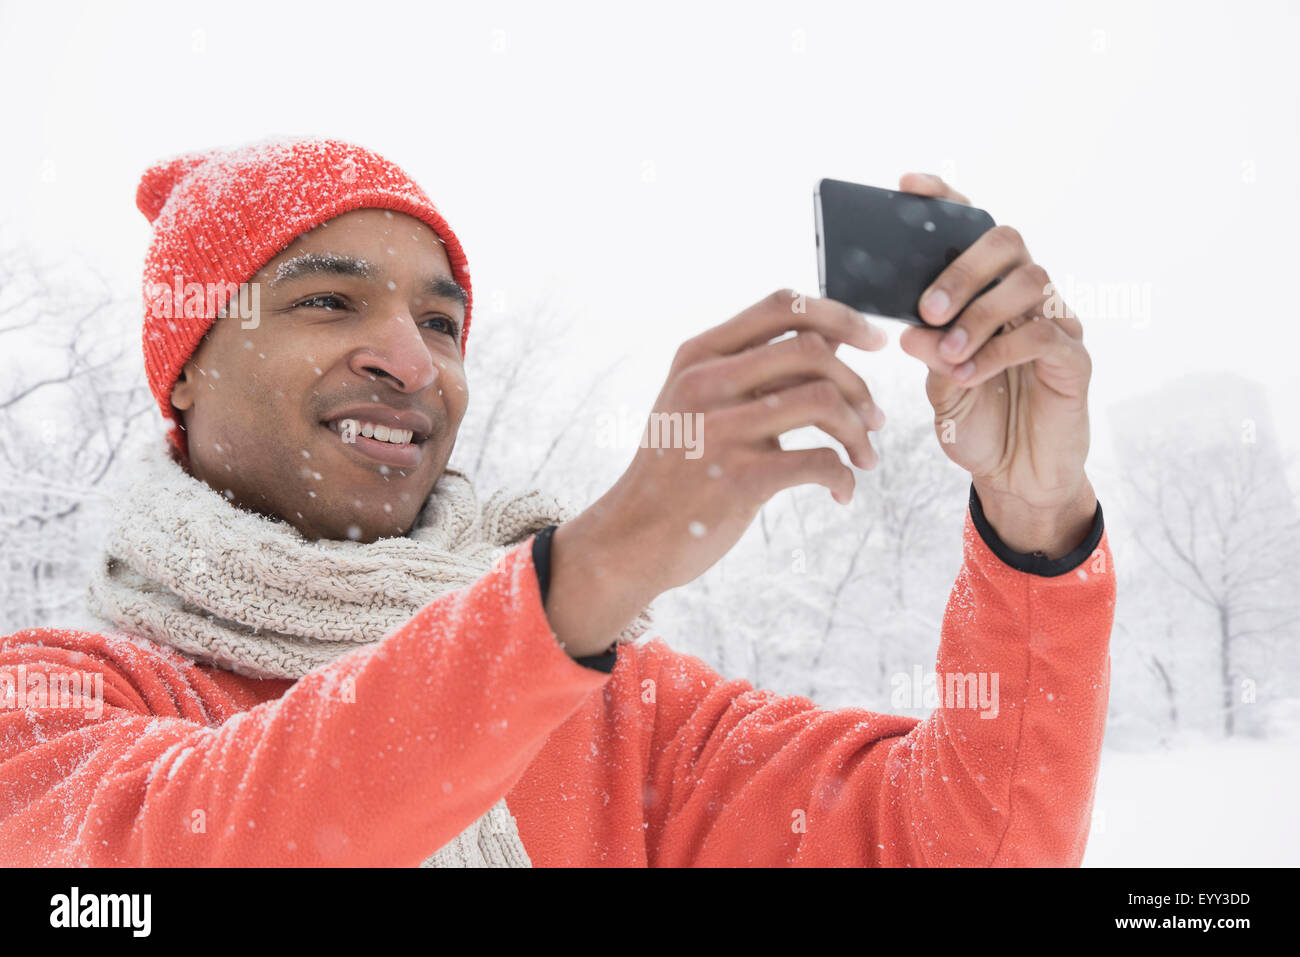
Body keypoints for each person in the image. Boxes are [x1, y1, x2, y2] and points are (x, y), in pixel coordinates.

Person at [0, 137, 1113, 867]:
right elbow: (190, 847)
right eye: (329, 301)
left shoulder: (618, 710)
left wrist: (1035, 525)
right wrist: (592, 569)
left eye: (441, 324)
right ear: (183, 369)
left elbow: (959, 846)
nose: (409, 359)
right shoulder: (56, 701)